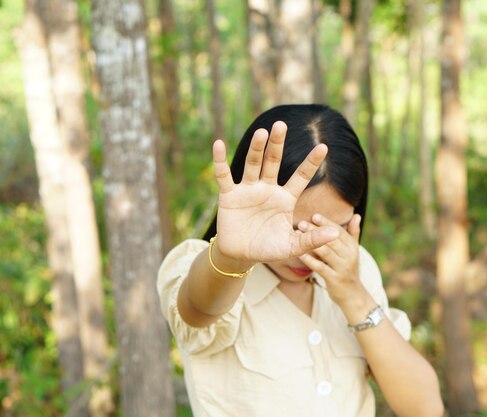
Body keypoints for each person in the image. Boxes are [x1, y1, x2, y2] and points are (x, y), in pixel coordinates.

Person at [157, 104, 443, 417]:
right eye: (292, 229)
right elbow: (196, 311)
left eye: (336, 228)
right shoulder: (210, 268)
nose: (308, 248)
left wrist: (353, 295)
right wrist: (231, 255)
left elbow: (424, 409)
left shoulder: (356, 267)